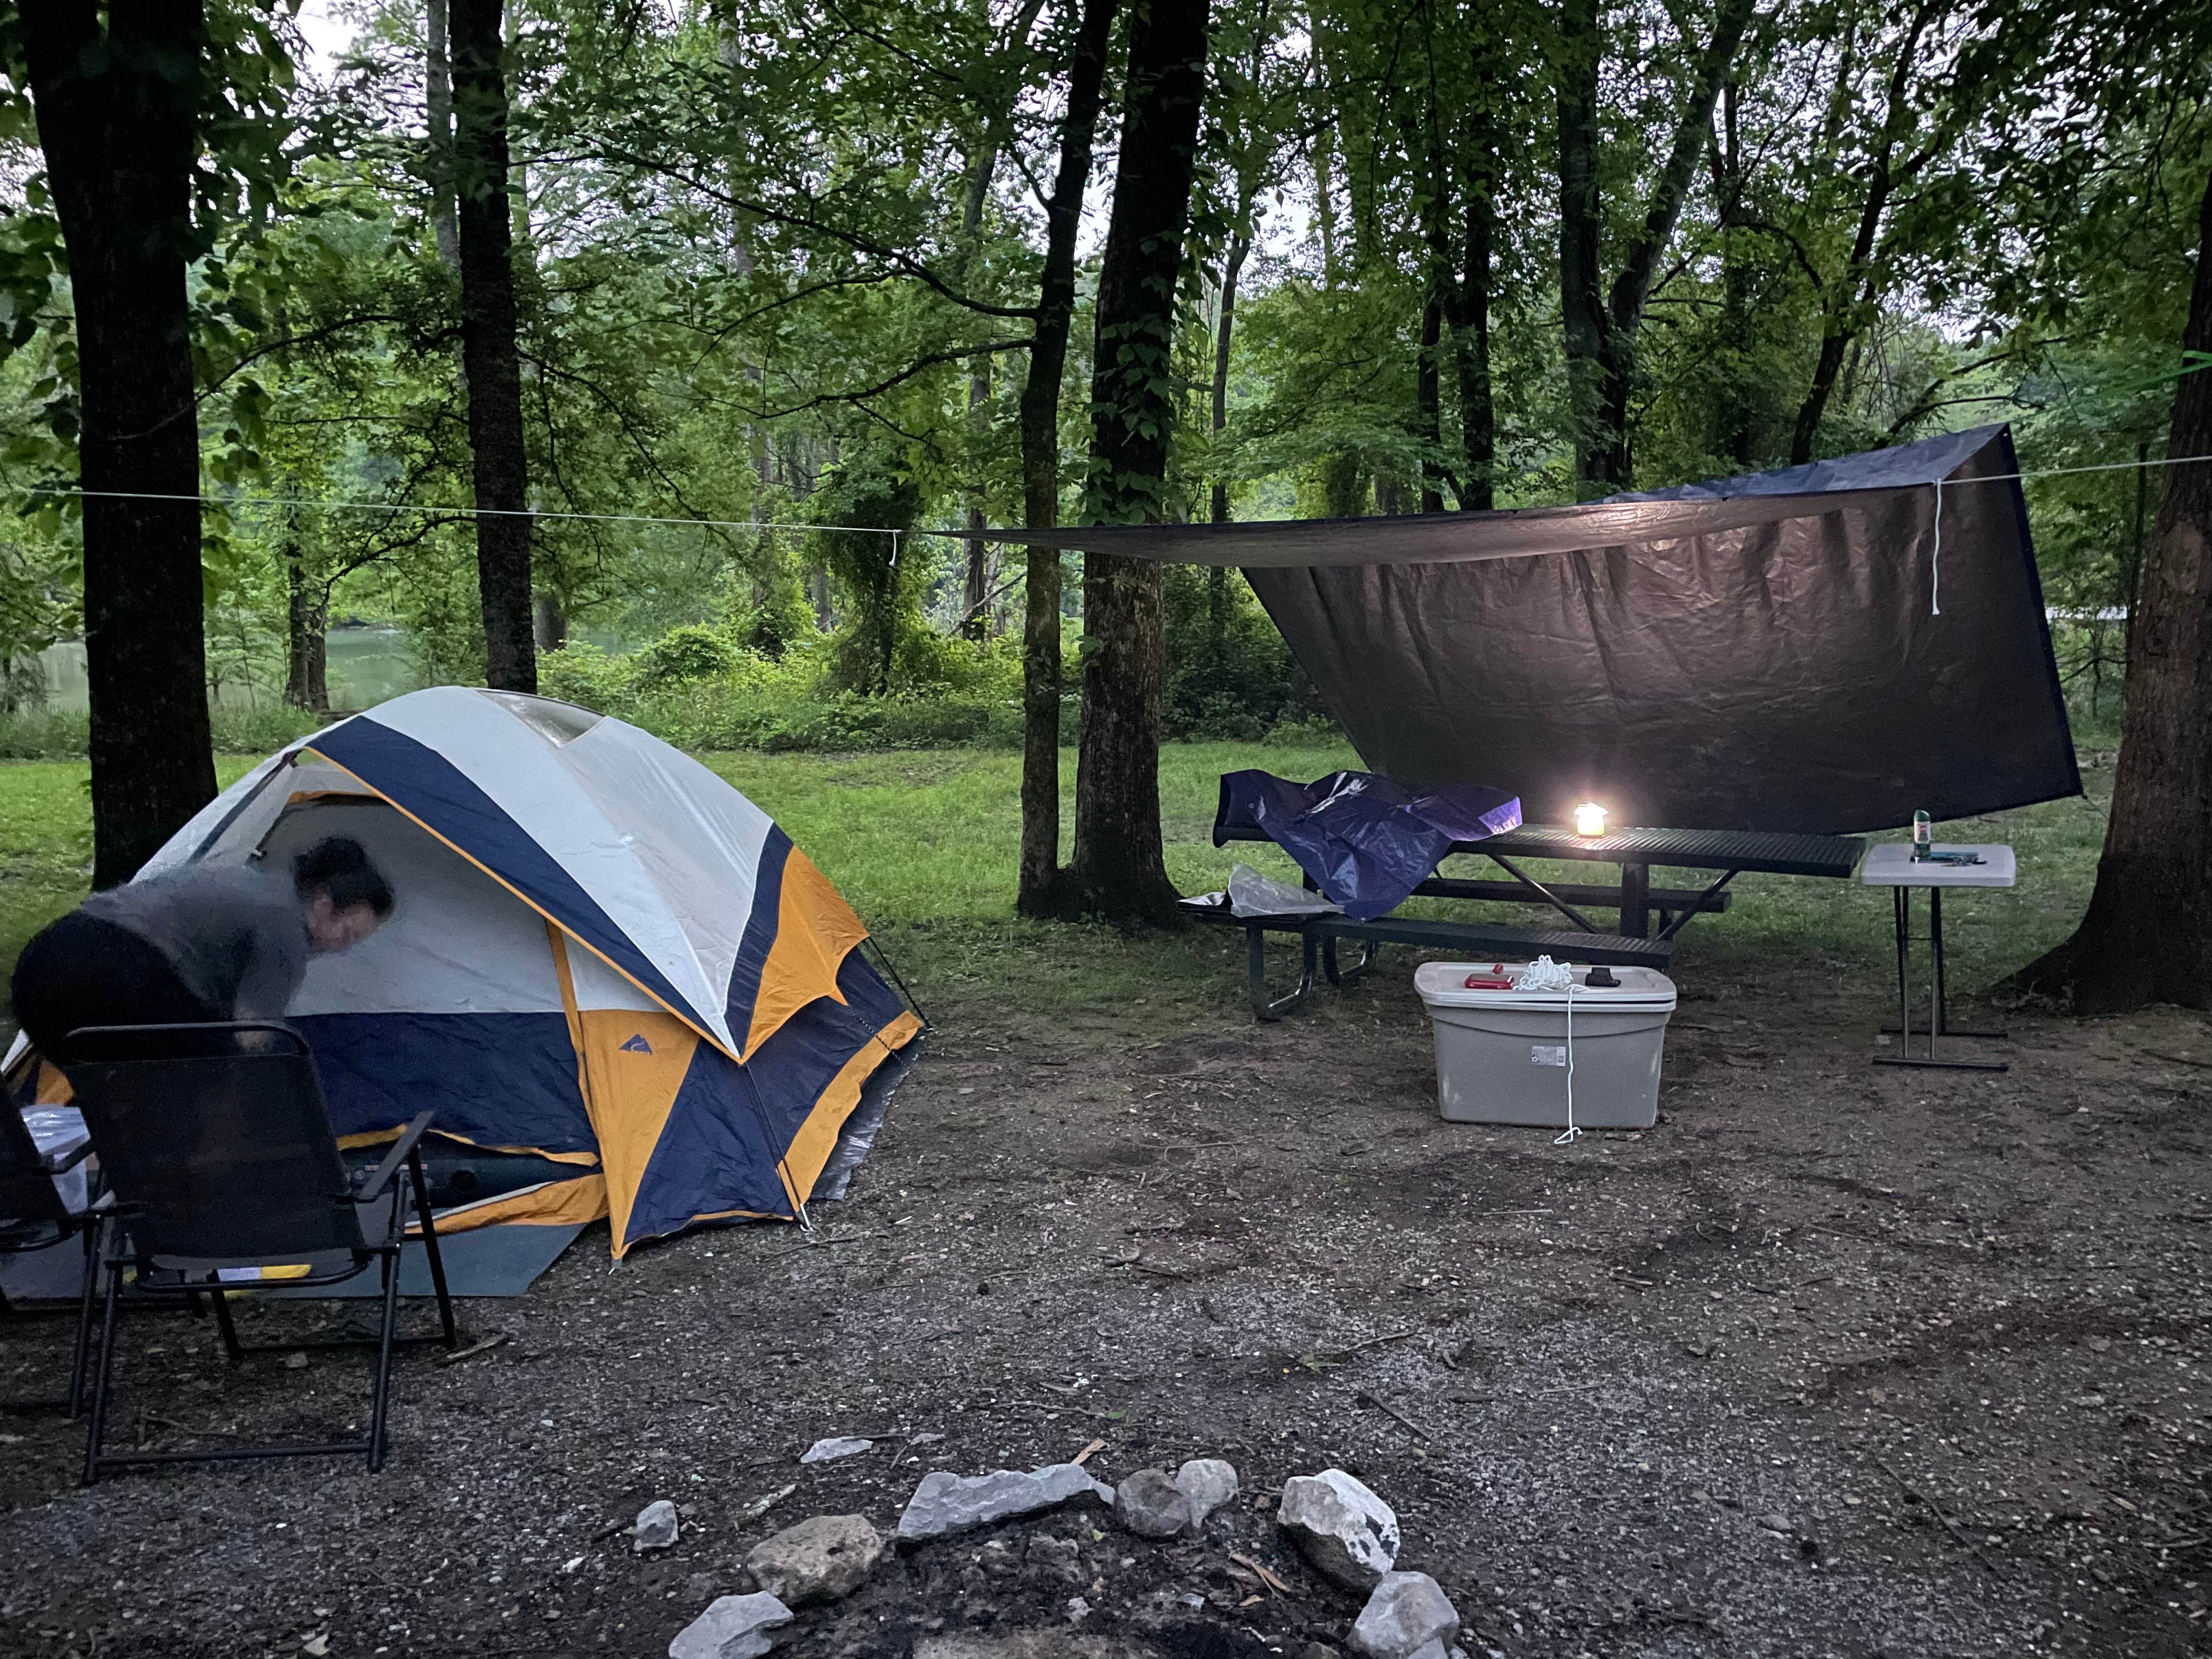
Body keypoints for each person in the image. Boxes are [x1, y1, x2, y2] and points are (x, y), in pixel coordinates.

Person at [9, 836, 394, 1062]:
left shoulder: (251, 880)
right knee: (211, 1079)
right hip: (117, 972)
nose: (341, 949)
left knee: (115, 1092)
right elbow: (251, 1038)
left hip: (42, 964)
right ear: (325, 904)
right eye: (347, 934)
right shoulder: (285, 929)